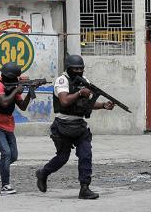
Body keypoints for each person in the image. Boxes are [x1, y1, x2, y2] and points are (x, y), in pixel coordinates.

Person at [36, 55, 115, 199]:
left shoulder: (85, 82)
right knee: (62, 158)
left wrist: (103, 105)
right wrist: (79, 93)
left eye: (81, 69)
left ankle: (84, 188)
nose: (78, 71)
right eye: (75, 68)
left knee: (86, 154)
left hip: (79, 125)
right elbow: (64, 101)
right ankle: (43, 173)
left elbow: (87, 104)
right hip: (63, 125)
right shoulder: (62, 81)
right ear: (69, 68)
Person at [0, 62, 36, 195]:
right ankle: (5, 185)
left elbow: (23, 106)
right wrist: (16, 90)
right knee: (6, 153)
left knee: (13, 156)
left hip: (7, 125)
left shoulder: (14, 88)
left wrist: (30, 91)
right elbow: (4, 102)